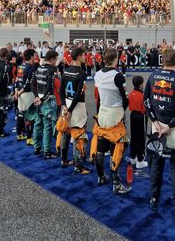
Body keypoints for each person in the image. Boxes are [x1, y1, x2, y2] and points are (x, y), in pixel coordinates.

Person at [144, 48, 175, 219]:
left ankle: (154, 197)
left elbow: (146, 101)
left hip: (156, 127)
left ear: (162, 60)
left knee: (156, 164)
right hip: (173, 129)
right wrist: (169, 125)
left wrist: (155, 122)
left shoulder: (153, 76)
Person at [92, 48, 131, 194]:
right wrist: (121, 111)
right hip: (115, 113)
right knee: (117, 148)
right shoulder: (118, 76)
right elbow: (125, 98)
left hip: (103, 111)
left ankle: (101, 176)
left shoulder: (97, 75)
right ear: (116, 59)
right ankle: (116, 182)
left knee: (101, 146)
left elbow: (98, 95)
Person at [59, 47, 90, 174]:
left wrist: (64, 106)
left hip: (66, 103)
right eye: (83, 55)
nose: (85, 57)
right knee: (78, 135)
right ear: (78, 57)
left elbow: (61, 90)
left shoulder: (66, 71)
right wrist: (71, 109)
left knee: (66, 133)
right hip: (77, 107)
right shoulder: (82, 73)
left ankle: (64, 159)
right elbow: (78, 93)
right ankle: (78, 165)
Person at [31, 50, 58, 159]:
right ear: (52, 59)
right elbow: (49, 87)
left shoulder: (39, 68)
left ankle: (37, 147)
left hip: (38, 100)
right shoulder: (52, 70)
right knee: (47, 126)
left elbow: (32, 83)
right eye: (55, 59)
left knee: (37, 124)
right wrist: (42, 99)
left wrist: (36, 96)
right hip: (47, 100)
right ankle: (47, 151)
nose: (56, 61)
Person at [14, 48, 36, 144]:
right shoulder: (31, 67)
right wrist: (20, 92)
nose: (35, 57)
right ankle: (29, 138)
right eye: (34, 55)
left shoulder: (21, 66)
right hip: (27, 94)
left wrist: (16, 92)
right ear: (31, 56)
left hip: (20, 94)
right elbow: (28, 83)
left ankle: (19, 134)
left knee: (20, 114)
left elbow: (17, 81)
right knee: (29, 116)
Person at [129, 76, 148, 169]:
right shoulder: (142, 95)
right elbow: (145, 109)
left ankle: (133, 157)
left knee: (133, 136)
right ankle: (140, 160)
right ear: (141, 84)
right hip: (140, 116)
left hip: (132, 115)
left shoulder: (131, 93)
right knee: (140, 138)